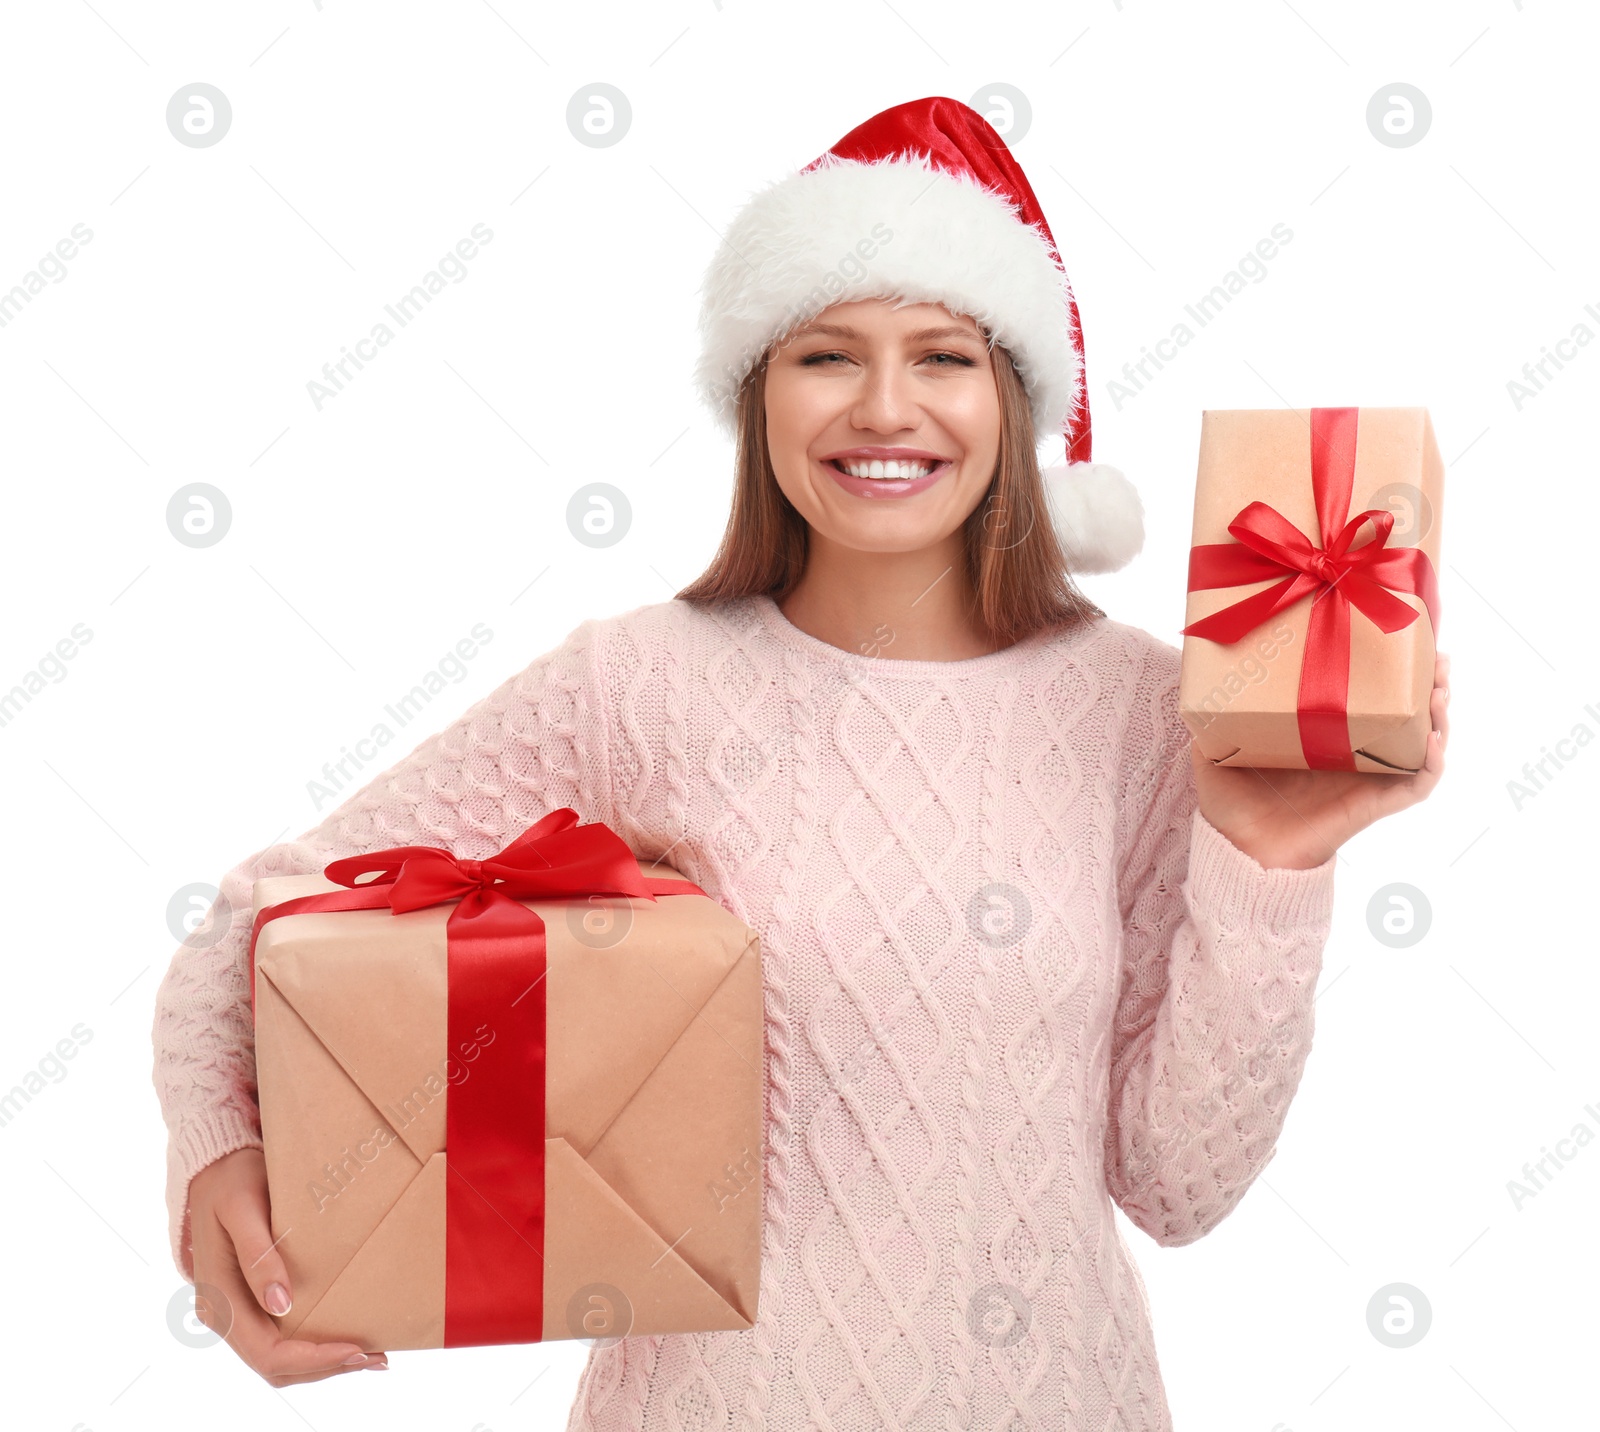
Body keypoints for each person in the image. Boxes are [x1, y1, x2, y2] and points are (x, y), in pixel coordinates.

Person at [152, 96, 1450, 1426]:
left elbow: (1176, 1187)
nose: (886, 407)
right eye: (827, 353)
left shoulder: (1144, 711)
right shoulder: (641, 686)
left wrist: (1271, 860)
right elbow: (267, 912)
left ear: (1014, 403)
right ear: (757, 392)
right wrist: (220, 1155)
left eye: (944, 356)